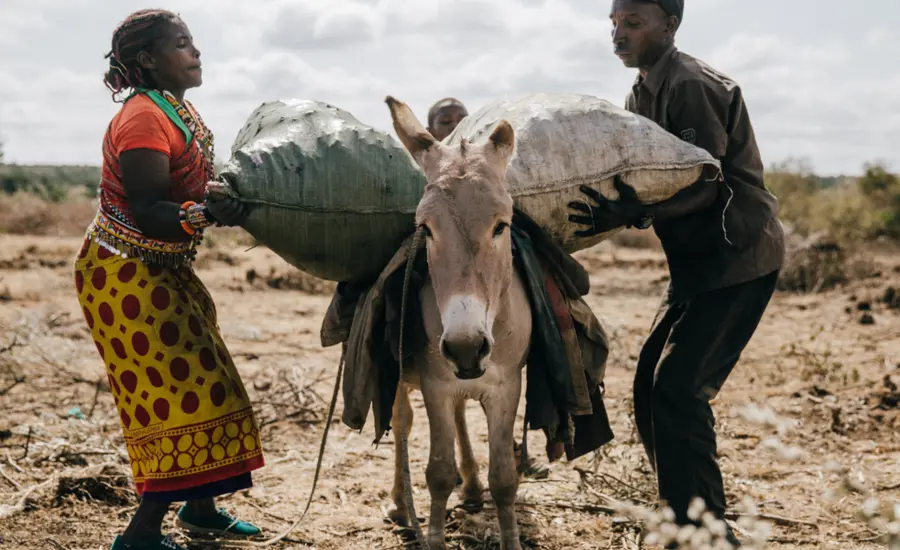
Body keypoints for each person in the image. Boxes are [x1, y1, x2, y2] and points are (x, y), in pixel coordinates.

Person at [567, 0, 785, 546]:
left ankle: (707, 533)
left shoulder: (689, 84)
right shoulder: (640, 92)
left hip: (737, 257)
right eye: (614, 23)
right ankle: (681, 520)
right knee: (649, 388)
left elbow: (704, 182)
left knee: (679, 389)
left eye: (633, 23)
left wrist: (633, 211)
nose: (618, 34)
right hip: (694, 264)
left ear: (670, 25)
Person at [74, 9, 265, 550]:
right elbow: (149, 209)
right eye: (181, 44)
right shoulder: (142, 118)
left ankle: (201, 511)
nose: (195, 52)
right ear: (147, 60)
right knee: (177, 395)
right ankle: (140, 535)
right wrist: (208, 214)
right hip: (123, 273)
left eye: (193, 43)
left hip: (161, 268)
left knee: (208, 381)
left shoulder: (174, 110)